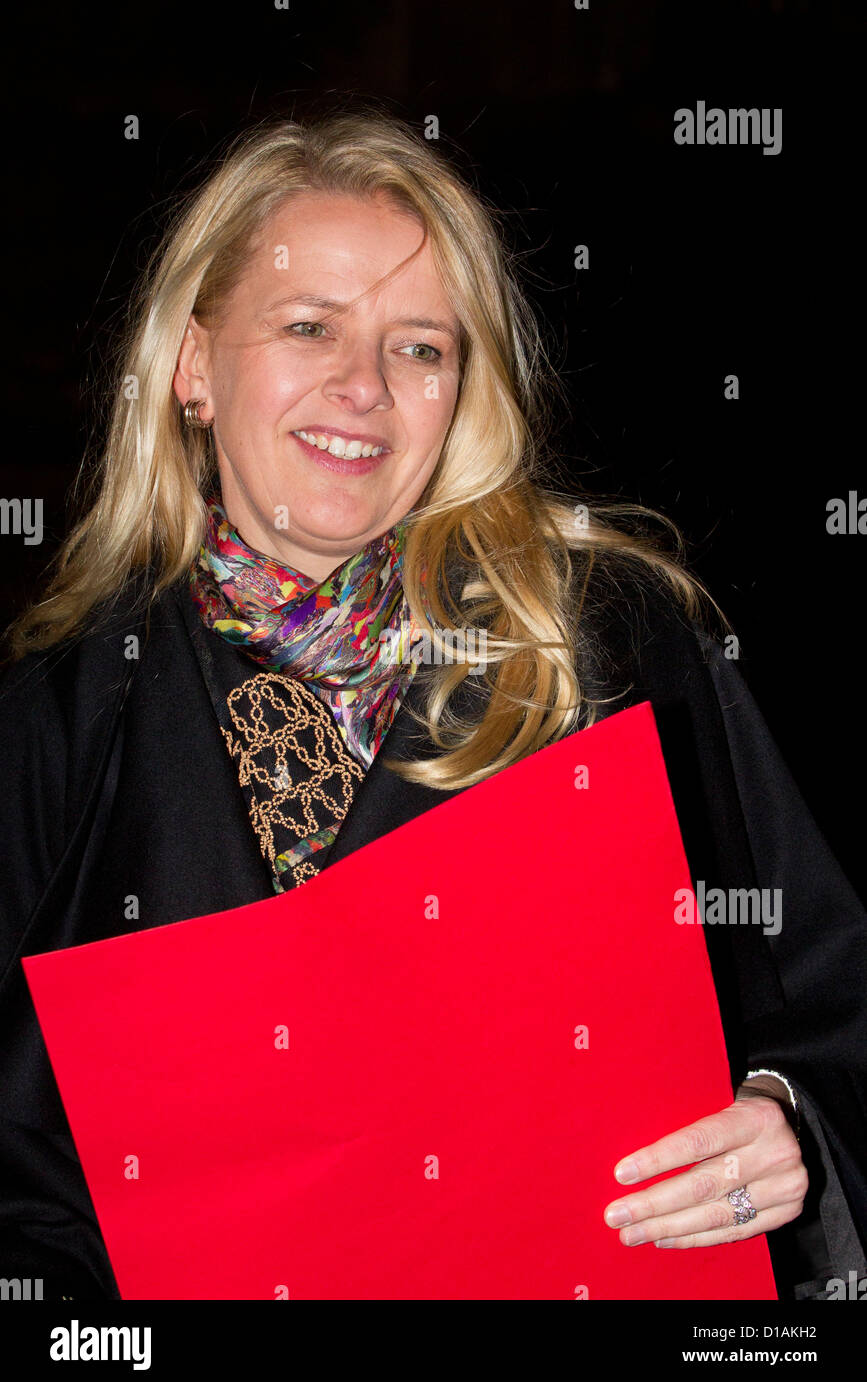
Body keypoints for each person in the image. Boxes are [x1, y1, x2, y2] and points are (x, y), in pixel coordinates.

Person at [0, 106, 864, 1302]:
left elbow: (828, 994)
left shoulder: (609, 641)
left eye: (420, 347)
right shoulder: (56, 716)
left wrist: (793, 1126)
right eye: (310, 328)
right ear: (194, 365)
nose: (363, 387)